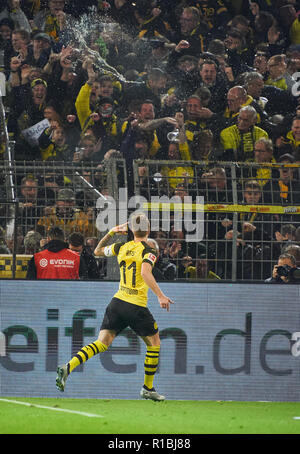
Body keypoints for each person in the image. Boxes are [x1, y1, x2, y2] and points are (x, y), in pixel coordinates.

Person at [56, 213, 174, 401]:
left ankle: (68, 366)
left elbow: (97, 250)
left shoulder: (121, 247)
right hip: (136, 306)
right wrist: (160, 295)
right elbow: (145, 272)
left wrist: (111, 232)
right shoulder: (149, 251)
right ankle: (147, 388)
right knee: (155, 343)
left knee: (101, 343)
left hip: (117, 303)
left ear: (131, 230)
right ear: (149, 230)